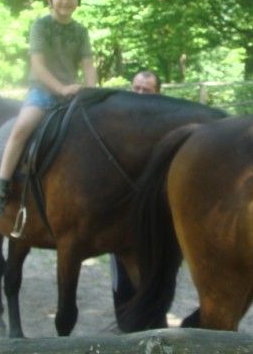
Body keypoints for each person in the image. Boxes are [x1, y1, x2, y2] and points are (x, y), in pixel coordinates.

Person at [0, 0, 97, 219]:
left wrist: (92, 91)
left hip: (73, 95)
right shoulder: (41, 26)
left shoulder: (81, 31)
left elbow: (89, 66)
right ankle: (1, 188)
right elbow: (38, 66)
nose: (65, 0)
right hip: (43, 92)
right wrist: (61, 88)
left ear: (78, 0)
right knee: (22, 128)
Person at [109, 70, 162, 325]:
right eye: (136, 88)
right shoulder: (117, 122)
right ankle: (124, 319)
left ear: (157, 94)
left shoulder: (165, 123)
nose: (139, 94)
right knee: (120, 264)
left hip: (153, 210)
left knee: (154, 267)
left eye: (146, 90)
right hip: (122, 208)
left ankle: (154, 319)